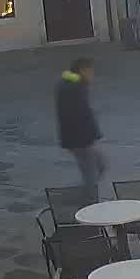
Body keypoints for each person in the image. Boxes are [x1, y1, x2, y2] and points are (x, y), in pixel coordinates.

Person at [56, 57, 104, 196]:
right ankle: (90, 202)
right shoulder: (74, 87)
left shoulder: (71, 84)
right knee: (90, 172)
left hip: (79, 138)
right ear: (82, 70)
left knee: (100, 165)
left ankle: (85, 193)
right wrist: (91, 136)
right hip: (80, 140)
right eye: (90, 71)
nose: (92, 75)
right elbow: (81, 115)